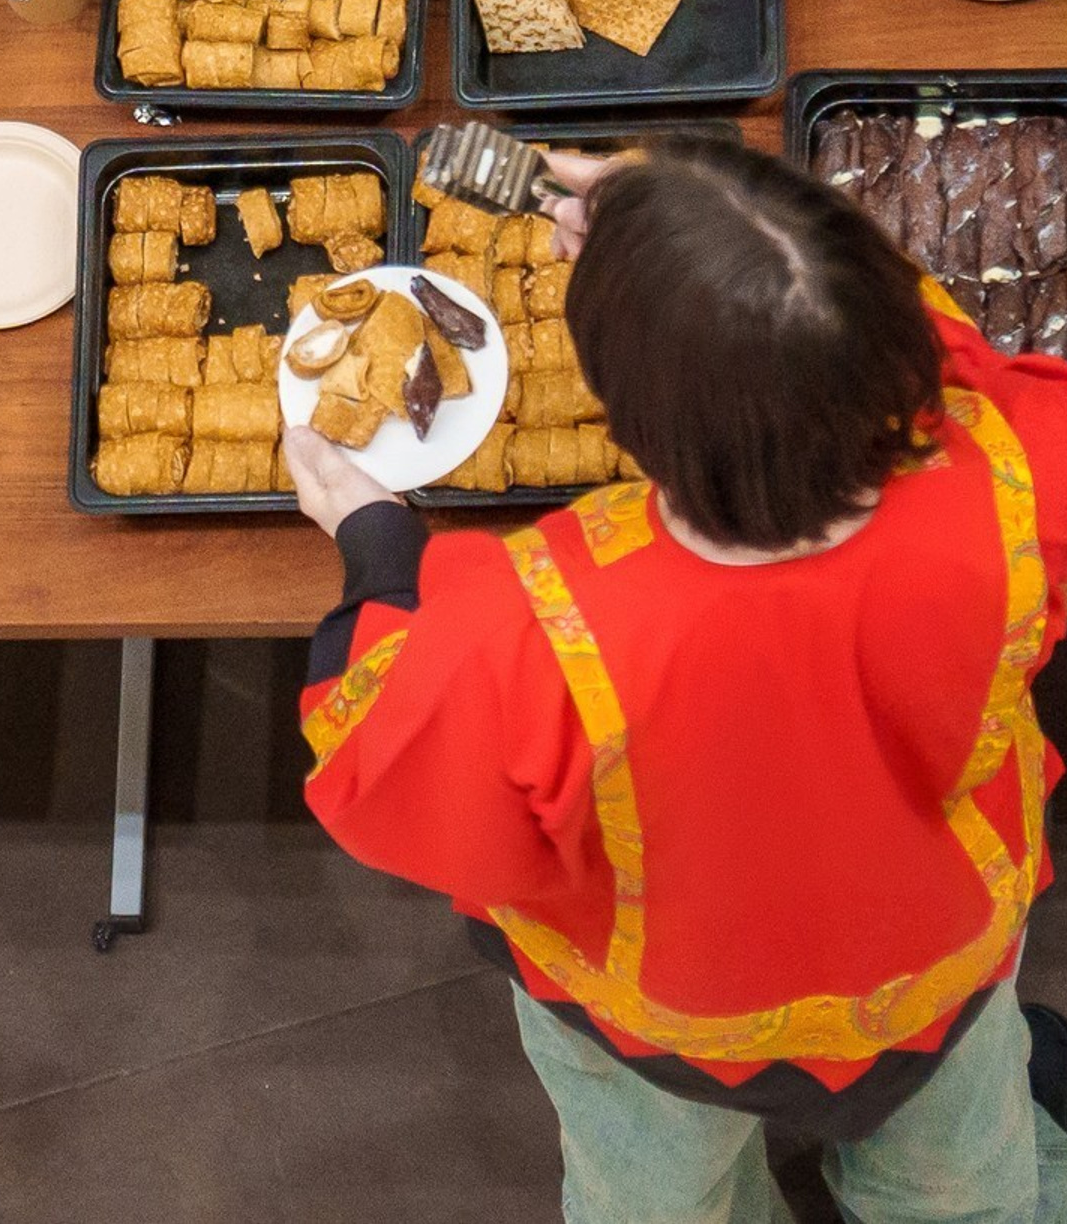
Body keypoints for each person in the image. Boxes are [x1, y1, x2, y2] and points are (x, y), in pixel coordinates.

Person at [288, 137, 1067, 1222]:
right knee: (959, 1172)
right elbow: (961, 367)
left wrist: (374, 542)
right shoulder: (1016, 474)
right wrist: (700, 234)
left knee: (655, 1189)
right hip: (942, 966)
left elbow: (376, 769)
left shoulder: (536, 627)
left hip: (657, 1016)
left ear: (632, 425)